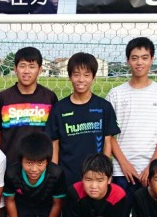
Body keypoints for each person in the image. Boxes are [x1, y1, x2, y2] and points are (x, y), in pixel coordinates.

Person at [107, 37, 157, 197]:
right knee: (121, 211)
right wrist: (124, 164)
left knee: (149, 211)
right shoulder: (115, 94)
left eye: (144, 58)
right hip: (121, 171)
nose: (139, 63)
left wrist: (152, 165)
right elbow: (109, 134)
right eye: (134, 58)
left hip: (152, 171)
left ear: (152, 59)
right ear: (127, 60)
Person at [48, 52, 119, 189]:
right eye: (76, 74)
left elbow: (107, 142)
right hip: (67, 177)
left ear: (94, 77)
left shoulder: (104, 107)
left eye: (86, 75)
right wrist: (54, 174)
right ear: (70, 76)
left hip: (95, 179)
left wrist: (104, 172)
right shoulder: (59, 108)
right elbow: (54, 145)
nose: (81, 80)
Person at [3, 132, 66, 217]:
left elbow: (57, 204)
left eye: (40, 163)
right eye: (29, 163)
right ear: (21, 160)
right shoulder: (12, 173)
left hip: (47, 206)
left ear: (47, 161)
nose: (34, 169)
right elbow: (10, 201)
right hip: (23, 205)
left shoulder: (56, 174)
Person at [0, 46, 58, 166]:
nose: (26, 71)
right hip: (10, 166)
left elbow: (54, 135)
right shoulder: (3, 98)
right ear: (15, 69)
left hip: (40, 167)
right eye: (22, 66)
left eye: (32, 66)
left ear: (40, 70)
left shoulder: (49, 98)